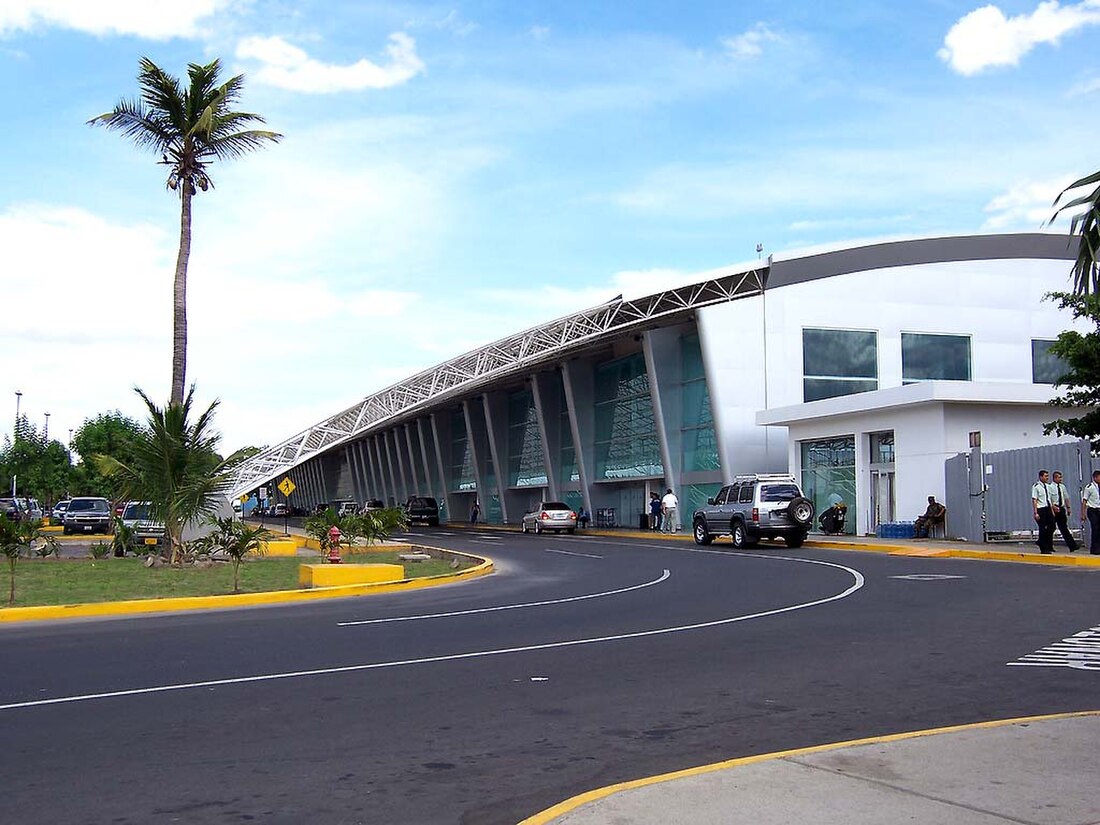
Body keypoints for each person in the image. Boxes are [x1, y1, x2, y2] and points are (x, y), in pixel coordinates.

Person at [1050, 471, 1079, 552]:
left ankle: (1072, 546)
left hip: (1061, 509)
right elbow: (1049, 499)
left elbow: (1066, 498)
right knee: (1051, 528)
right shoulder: (1050, 487)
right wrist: (1053, 507)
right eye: (1059, 477)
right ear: (1055, 478)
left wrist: (1068, 508)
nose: (1060, 479)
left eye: (1061, 477)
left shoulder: (1062, 487)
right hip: (1054, 509)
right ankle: (1049, 545)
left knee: (1064, 528)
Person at [1032, 470, 1055, 554]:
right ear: (1040, 477)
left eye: (1047, 476)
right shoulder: (1036, 486)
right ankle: (1044, 548)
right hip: (1041, 509)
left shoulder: (1048, 486)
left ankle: (1042, 542)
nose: (1047, 478)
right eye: (1045, 476)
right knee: (1043, 528)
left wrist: (1052, 510)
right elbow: (1034, 500)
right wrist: (1035, 512)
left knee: (1052, 526)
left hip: (1048, 508)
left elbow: (1050, 499)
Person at [1081, 469, 1100, 555]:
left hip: (1099, 510)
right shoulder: (1089, 487)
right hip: (1092, 510)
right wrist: (1083, 513)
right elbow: (1084, 501)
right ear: (1095, 477)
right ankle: (1094, 549)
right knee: (1095, 528)